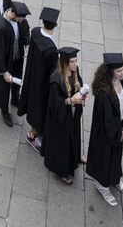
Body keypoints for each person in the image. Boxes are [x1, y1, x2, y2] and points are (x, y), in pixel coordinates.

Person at [86, 53, 123, 206]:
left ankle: (114, 178)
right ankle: (101, 186)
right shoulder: (104, 92)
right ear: (110, 72)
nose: (122, 73)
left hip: (118, 126)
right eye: (119, 71)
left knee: (116, 155)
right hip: (106, 131)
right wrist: (118, 134)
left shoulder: (122, 80)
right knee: (104, 157)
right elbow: (106, 119)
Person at [17, 7, 59, 151]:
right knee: (40, 109)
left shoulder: (35, 32)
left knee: (33, 103)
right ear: (56, 24)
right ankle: (32, 135)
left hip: (32, 76)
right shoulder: (52, 50)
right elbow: (52, 72)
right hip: (42, 85)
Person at [42, 47, 85, 185]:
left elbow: (79, 85)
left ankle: (75, 157)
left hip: (72, 115)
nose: (75, 64)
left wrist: (82, 95)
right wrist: (70, 101)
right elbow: (54, 103)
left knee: (74, 137)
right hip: (60, 118)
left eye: (75, 60)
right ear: (65, 63)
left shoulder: (75, 72)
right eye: (72, 61)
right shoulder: (56, 80)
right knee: (62, 144)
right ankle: (62, 171)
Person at [0, 1, 31, 127]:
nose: (21, 21)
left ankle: (15, 98)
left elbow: (25, 31)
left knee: (17, 78)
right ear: (12, 13)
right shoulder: (2, 26)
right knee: (3, 87)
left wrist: (27, 45)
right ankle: (4, 110)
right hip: (6, 62)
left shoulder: (20, 19)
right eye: (19, 19)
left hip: (16, 57)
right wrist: (4, 71)